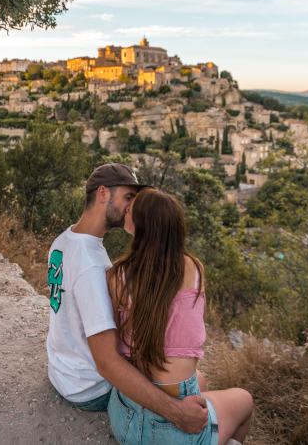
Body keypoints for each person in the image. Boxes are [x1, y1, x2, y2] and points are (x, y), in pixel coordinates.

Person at [46, 163, 209, 434]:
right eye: (128, 197)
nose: (131, 207)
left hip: (62, 371)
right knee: (191, 388)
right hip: (89, 388)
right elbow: (108, 363)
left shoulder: (63, 240)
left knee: (195, 382)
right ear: (102, 194)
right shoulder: (94, 268)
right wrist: (177, 413)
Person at [107, 188, 253, 445]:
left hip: (125, 415)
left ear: (141, 226)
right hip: (169, 432)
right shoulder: (194, 268)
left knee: (202, 380)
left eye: (131, 210)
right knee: (245, 400)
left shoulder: (117, 276)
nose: (126, 211)